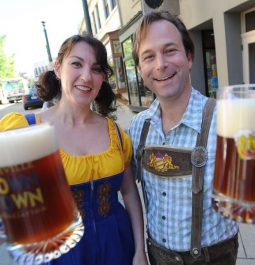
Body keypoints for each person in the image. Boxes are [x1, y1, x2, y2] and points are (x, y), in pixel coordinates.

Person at [0, 34, 148, 265]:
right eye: (76, 64)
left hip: (118, 246)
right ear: (58, 68)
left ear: (102, 78)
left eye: (96, 69)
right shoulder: (23, 130)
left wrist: (140, 250)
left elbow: (129, 193)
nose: (86, 76)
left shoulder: (116, 134)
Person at [128, 11, 239, 265]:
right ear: (140, 69)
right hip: (157, 256)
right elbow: (125, 189)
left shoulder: (227, 120)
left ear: (189, 57)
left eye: (170, 51)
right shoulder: (137, 127)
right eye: (149, 56)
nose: (160, 65)